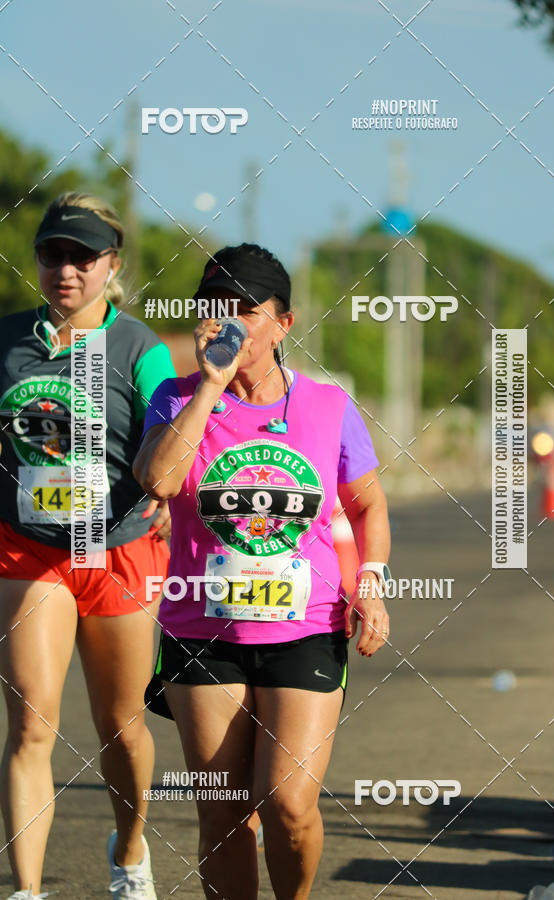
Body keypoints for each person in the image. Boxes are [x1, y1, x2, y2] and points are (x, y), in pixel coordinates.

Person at [134, 243, 391, 900]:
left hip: (304, 629)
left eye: (245, 309)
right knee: (222, 814)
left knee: (288, 805)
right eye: (214, 308)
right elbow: (158, 479)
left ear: (284, 322)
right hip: (203, 631)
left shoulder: (329, 406)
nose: (229, 322)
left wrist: (373, 584)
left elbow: (365, 504)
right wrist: (212, 386)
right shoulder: (175, 397)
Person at [0, 192, 177, 900]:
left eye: (82, 257)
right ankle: (27, 891)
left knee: (122, 729)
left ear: (111, 265)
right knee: (31, 724)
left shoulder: (140, 347)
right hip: (29, 549)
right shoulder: (6, 339)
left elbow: (170, 435)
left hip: (119, 547)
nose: (65, 270)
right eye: (52, 255)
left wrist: (166, 489)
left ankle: (130, 848)